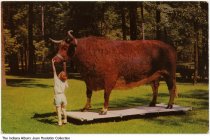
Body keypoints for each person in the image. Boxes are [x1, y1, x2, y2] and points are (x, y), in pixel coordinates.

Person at [52, 59, 69, 126]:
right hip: (63, 96)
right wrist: (64, 66)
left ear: (59, 75)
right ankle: (65, 120)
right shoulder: (65, 81)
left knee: (59, 111)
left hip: (58, 96)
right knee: (64, 109)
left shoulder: (56, 79)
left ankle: (59, 122)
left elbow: (54, 70)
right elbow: (65, 75)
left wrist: (53, 63)